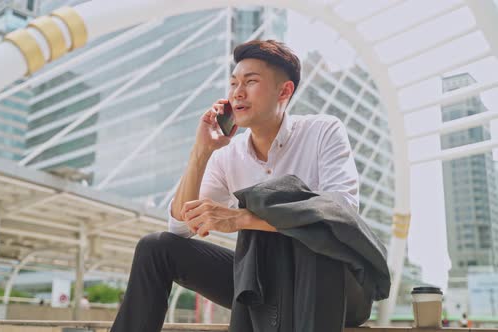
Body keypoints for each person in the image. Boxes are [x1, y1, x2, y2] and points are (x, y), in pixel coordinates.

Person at [110, 40, 360, 332]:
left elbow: (342, 212)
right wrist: (201, 151)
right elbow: (180, 228)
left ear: (284, 91)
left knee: (303, 229)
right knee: (156, 248)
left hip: (331, 285)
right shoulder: (227, 154)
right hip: (261, 284)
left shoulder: (323, 131)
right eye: (233, 83)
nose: (237, 92)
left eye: (250, 82)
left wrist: (243, 219)